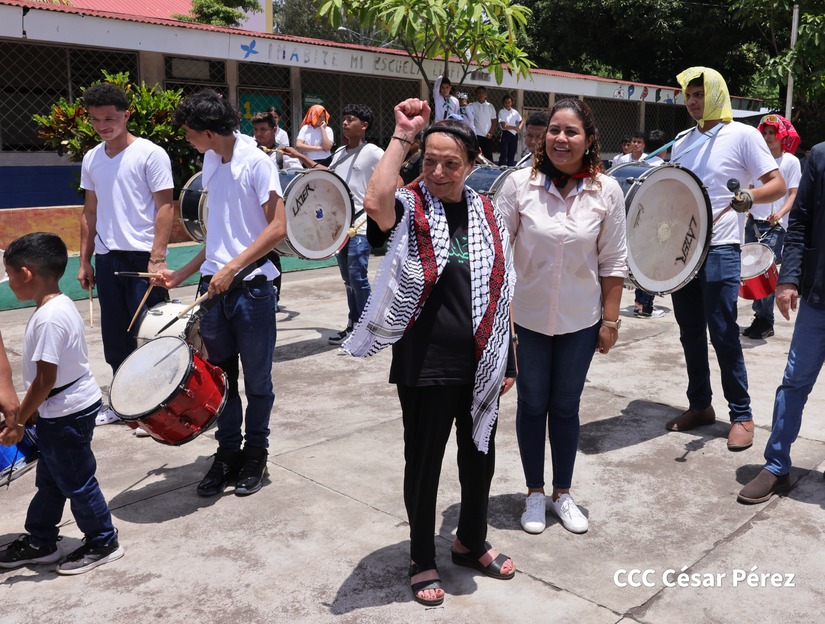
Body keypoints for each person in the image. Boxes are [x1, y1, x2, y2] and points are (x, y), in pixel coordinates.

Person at [349, 103, 517, 606]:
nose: (438, 172)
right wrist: (403, 135)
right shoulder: (409, 206)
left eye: (451, 163)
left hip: (482, 360)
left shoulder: (487, 211)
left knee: (479, 457)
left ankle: (470, 541)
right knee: (424, 464)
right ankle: (421, 556)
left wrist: (509, 358)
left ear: (472, 165)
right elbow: (375, 200)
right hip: (425, 363)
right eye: (430, 161)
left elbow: (503, 286)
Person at [497, 98, 627, 536]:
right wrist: (501, 321)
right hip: (527, 319)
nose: (561, 138)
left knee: (567, 407)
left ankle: (563, 493)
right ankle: (534, 493)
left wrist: (610, 322)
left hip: (580, 321)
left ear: (589, 140)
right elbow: (498, 255)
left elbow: (613, 261)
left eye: (572, 131)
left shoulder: (607, 191)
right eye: (554, 129)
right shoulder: (519, 185)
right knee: (532, 404)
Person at [162, 89, 286, 497]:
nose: (187, 139)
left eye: (189, 132)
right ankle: (228, 452)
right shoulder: (211, 160)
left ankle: (256, 453)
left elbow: (278, 228)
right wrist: (182, 273)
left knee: (258, 380)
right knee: (220, 379)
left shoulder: (258, 163)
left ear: (210, 132)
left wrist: (232, 268)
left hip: (252, 290)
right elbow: (219, 233)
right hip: (212, 289)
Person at [664, 67, 785, 452]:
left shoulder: (743, 135)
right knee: (689, 331)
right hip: (683, 251)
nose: (693, 101)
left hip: (721, 246)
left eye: (700, 94)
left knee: (723, 331)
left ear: (718, 93)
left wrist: (750, 197)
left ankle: (742, 415)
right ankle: (700, 405)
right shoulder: (682, 141)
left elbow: (777, 184)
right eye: (689, 95)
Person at [0, 233, 123, 574]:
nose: (8, 281)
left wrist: (19, 420)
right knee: (52, 479)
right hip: (63, 408)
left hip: (66, 413)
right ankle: (41, 540)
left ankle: (103, 541)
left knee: (77, 482)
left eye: (9, 274)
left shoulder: (50, 318)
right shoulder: (57, 305)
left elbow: (45, 380)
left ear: (26, 273)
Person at [77, 82, 173, 426]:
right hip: (107, 259)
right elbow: (90, 212)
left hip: (142, 260)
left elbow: (165, 207)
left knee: (151, 334)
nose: (102, 126)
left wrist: (157, 258)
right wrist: (85, 260)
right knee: (115, 337)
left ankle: (157, 408)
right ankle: (123, 405)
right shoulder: (92, 158)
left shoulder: (150, 153)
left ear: (126, 115)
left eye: (109, 118)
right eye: (95, 119)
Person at [737, 141, 825, 503]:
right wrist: (788, 279)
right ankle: (776, 466)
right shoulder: (820, 156)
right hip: (819, 297)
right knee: (794, 382)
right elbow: (800, 221)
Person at [742, 114, 802, 340]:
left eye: (772, 133)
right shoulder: (757, 160)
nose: (767, 137)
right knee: (751, 273)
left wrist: (780, 214)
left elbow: (794, 194)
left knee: (765, 273)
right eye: (765, 133)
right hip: (753, 223)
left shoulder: (791, 162)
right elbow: (750, 188)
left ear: (782, 136)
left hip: (774, 226)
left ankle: (765, 319)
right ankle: (760, 317)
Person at [251, 110, 288, 310]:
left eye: (263, 130)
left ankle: (274, 296)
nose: (259, 134)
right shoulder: (250, 151)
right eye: (256, 130)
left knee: (272, 254)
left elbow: (295, 176)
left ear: (274, 130)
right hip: (252, 211)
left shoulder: (284, 154)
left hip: (272, 210)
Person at [633, 129, 668, 318]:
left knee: (640, 263)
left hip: (638, 220)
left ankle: (639, 304)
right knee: (652, 265)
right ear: (664, 149)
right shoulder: (663, 167)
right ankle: (646, 307)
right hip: (657, 221)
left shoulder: (639, 164)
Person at [470, 86, 498, 162]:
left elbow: (494, 120)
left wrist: (490, 132)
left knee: (488, 156)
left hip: (487, 135)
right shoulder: (472, 105)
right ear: (476, 94)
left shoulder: (490, 106)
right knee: (477, 156)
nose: (481, 94)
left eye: (483, 93)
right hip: (476, 135)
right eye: (479, 93)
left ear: (486, 94)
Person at [497, 95, 523, 167]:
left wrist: (519, 128)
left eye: (509, 102)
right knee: (504, 153)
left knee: (511, 154)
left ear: (511, 103)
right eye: (506, 102)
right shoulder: (501, 112)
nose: (507, 104)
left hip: (514, 135)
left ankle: (510, 169)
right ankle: (501, 168)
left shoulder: (514, 112)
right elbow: (504, 126)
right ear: (503, 103)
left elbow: (521, 121)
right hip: (506, 134)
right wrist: (514, 127)